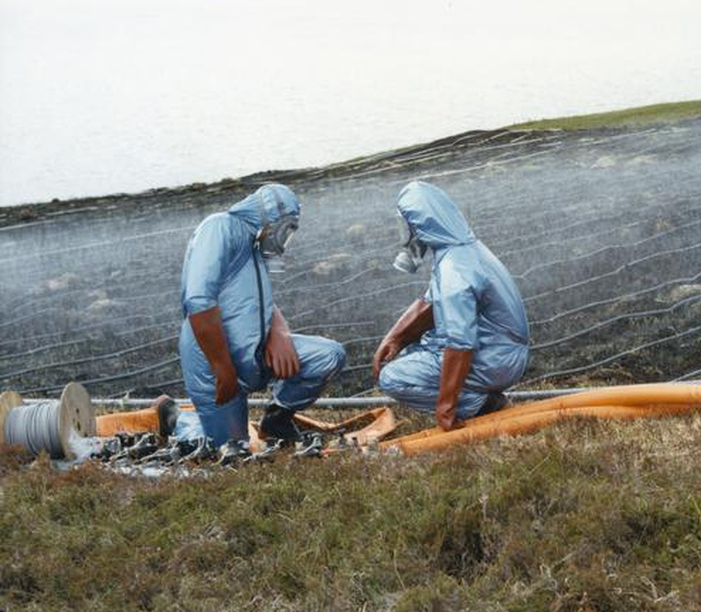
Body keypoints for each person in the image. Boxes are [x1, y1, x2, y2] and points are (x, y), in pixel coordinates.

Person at [174, 184, 346, 446]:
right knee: (229, 450)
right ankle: (175, 418)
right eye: (284, 229)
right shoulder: (220, 228)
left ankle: (277, 419)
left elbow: (256, 299)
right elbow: (198, 300)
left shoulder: (254, 247)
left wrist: (279, 332)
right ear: (269, 218)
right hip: (213, 363)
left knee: (328, 355)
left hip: (255, 355)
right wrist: (222, 367)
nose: (283, 240)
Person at [373, 181, 529, 431]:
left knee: (393, 378)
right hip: (499, 350)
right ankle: (481, 398)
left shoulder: (455, 269)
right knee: (406, 355)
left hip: (496, 358)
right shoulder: (460, 251)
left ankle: (482, 406)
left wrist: (446, 407)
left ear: (418, 226)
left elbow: (460, 343)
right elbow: (431, 303)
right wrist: (396, 338)